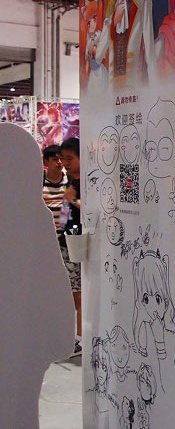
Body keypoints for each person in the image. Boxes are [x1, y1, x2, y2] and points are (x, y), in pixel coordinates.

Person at [60, 137, 83, 356]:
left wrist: (73, 200)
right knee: (73, 291)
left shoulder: (87, 181)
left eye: (69, 158)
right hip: (68, 238)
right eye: (63, 159)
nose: (65, 163)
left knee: (79, 293)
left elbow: (92, 210)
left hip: (80, 240)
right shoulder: (71, 181)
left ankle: (81, 338)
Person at [42, 145, 68, 231]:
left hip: (65, 232)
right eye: (55, 159)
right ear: (46, 162)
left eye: (61, 159)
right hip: (44, 231)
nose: (59, 162)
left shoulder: (68, 179)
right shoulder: (39, 179)